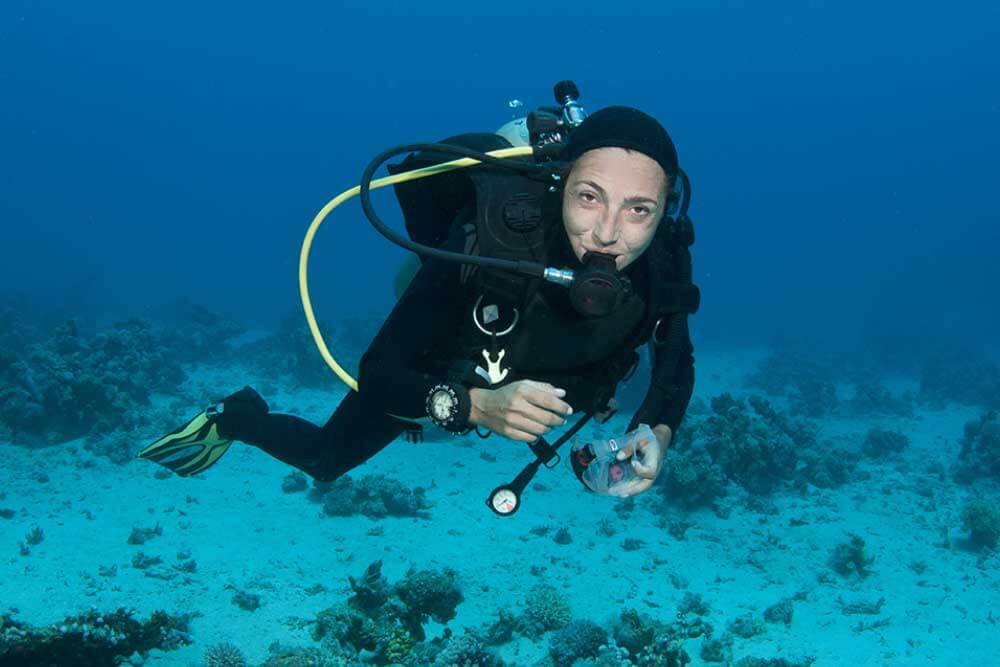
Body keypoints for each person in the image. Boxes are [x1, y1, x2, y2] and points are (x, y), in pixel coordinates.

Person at [139, 105, 697, 499]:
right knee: (325, 462)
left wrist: (657, 431)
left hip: (542, 377)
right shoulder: (494, 242)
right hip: (442, 370)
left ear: (664, 209)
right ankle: (235, 418)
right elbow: (378, 372)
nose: (606, 234)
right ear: (560, 183)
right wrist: (476, 407)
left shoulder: (662, 261)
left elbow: (677, 361)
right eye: (589, 197)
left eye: (639, 210)